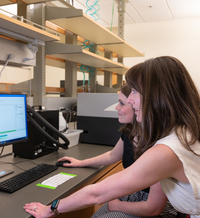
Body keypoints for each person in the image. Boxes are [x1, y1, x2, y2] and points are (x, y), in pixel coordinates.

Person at [24, 56, 200, 218]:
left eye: (134, 91)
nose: (130, 101)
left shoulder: (168, 150)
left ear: (158, 96)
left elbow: (96, 194)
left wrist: (50, 209)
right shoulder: (191, 130)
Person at [57, 83, 177, 218]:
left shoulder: (159, 145)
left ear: (137, 106)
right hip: (133, 194)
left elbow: (154, 208)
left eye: (121, 103)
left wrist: (118, 205)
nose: (116, 107)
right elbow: (112, 155)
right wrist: (80, 162)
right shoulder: (131, 132)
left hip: (151, 207)